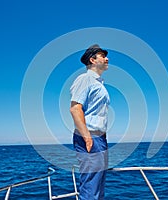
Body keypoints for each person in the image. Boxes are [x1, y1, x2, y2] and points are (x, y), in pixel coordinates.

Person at [70, 44, 110, 200]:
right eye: (102, 56)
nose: (107, 59)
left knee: (98, 186)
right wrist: (87, 137)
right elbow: (75, 109)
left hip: (99, 138)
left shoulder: (99, 83)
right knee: (91, 187)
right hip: (90, 137)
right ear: (93, 60)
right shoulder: (85, 79)